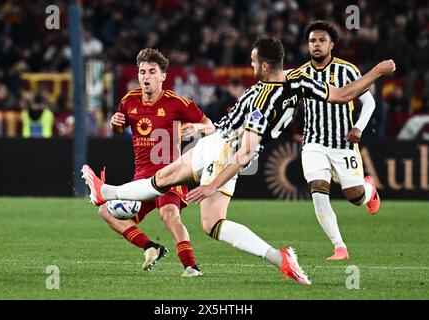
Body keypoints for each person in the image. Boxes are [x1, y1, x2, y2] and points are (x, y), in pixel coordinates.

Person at [82, 37, 395, 286]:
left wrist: (211, 185)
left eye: (253, 60)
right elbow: (342, 94)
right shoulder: (298, 80)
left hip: (223, 149)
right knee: (211, 223)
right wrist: (377, 72)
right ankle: (281, 259)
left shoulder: (264, 101)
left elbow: (243, 151)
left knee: (162, 179)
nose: (251, 65)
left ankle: (105, 192)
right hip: (227, 150)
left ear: (265, 64)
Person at [96, 48, 214, 277]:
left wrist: (197, 128)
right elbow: (120, 128)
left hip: (171, 174)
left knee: (169, 214)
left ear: (163, 76)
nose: (146, 76)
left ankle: (191, 267)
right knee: (105, 211)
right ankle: (151, 247)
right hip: (142, 179)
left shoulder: (177, 103)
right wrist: (115, 124)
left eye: (152, 71)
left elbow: (211, 126)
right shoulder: (129, 100)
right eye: (142, 72)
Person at [295, 21, 381, 261]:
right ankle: (339, 247)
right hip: (313, 143)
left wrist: (358, 127)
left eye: (322, 40)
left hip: (343, 143)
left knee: (355, 197)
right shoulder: (300, 74)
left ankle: (369, 189)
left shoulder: (348, 71)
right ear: (308, 45)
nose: (317, 44)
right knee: (318, 191)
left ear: (331, 44)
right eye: (313, 41)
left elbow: (370, 102)